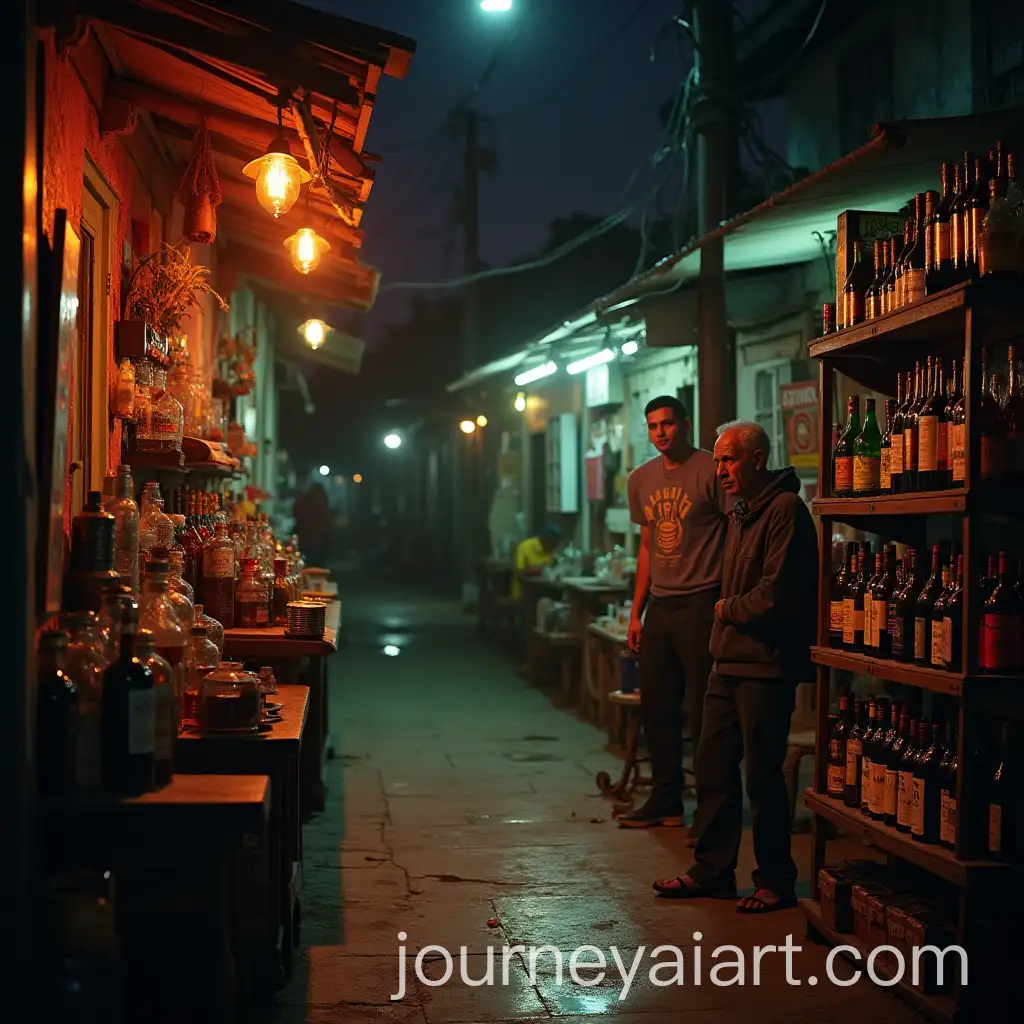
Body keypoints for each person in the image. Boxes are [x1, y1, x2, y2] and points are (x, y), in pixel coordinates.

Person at [652, 421, 817, 913]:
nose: (721, 470)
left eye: (729, 460)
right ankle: (712, 871)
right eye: (719, 461)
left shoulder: (786, 511)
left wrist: (726, 610)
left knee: (763, 777)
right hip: (727, 661)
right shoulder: (744, 513)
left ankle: (775, 880)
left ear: (758, 458)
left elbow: (778, 595)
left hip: (765, 664)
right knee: (714, 767)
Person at [619, 396, 729, 834]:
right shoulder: (640, 479)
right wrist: (636, 612)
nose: (660, 432)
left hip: (703, 601)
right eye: (652, 426)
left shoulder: (710, 470)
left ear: (685, 425)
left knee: (703, 712)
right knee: (657, 707)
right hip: (662, 605)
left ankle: (709, 807)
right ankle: (666, 799)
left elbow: (735, 531)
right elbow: (646, 548)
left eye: (667, 424)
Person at [510, 525, 560, 601]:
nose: (554, 548)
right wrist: (531, 570)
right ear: (545, 539)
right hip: (524, 594)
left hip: (544, 593)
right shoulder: (525, 547)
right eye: (553, 544)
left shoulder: (550, 551)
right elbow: (519, 574)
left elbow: (551, 571)